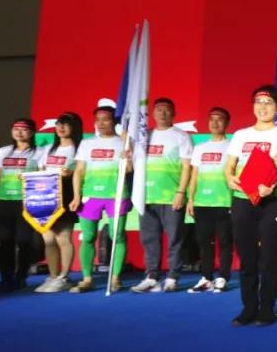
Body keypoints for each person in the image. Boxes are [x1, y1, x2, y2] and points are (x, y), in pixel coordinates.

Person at [224, 85, 277, 326]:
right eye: (258, 101)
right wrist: (230, 178)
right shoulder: (241, 135)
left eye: (268, 102)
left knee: (271, 257)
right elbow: (229, 167)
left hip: (272, 202)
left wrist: (275, 182)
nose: (263, 107)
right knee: (247, 257)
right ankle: (248, 307)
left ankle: (267, 307)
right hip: (243, 200)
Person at [131, 98, 193, 293]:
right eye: (158, 109)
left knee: (175, 239)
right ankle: (152, 277)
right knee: (149, 239)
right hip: (146, 196)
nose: (162, 113)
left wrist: (181, 192)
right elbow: (134, 166)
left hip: (171, 196)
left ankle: (173, 276)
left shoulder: (181, 136)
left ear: (173, 113)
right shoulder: (144, 137)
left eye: (166, 110)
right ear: (152, 113)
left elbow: (187, 167)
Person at [69, 106, 131, 293]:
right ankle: (87, 279)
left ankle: (115, 278)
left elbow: (130, 170)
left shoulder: (125, 143)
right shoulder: (87, 143)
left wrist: (128, 157)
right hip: (90, 196)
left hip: (117, 195)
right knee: (88, 237)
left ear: (114, 121)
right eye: (98, 119)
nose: (101, 123)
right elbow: (79, 171)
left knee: (117, 235)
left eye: (106, 119)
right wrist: (76, 195)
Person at [0, 118, 44, 293]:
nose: (19, 132)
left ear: (32, 132)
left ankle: (21, 277)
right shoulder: (4, 151)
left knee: (24, 241)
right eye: (16, 129)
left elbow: (42, 177)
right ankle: (6, 279)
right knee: (5, 242)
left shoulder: (40, 152)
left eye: (24, 129)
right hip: (3, 201)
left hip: (25, 202)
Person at [186, 107, 234, 294]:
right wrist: (191, 199)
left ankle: (223, 277)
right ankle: (206, 278)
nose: (215, 123)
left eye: (219, 119)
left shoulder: (232, 147)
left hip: (224, 201)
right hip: (202, 202)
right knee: (204, 242)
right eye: (211, 119)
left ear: (227, 123)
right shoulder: (200, 148)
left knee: (225, 241)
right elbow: (194, 176)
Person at [35, 112, 84, 293]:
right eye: (58, 124)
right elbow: (40, 170)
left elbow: (80, 172)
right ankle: (53, 276)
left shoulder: (79, 149)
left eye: (66, 124)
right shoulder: (48, 149)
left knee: (63, 238)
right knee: (48, 238)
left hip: (66, 194)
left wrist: (69, 174)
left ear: (75, 127)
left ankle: (64, 277)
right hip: (46, 195)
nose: (61, 127)